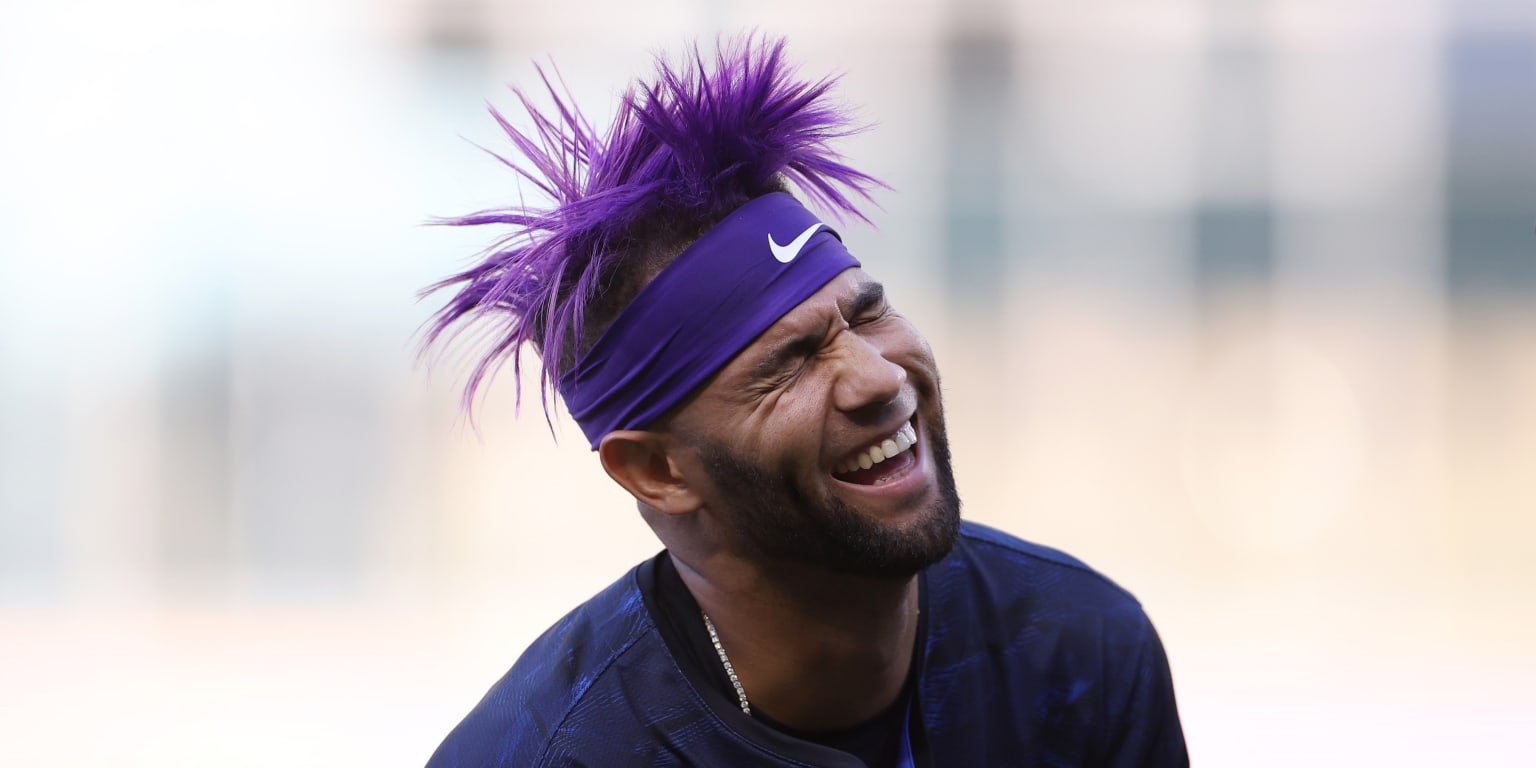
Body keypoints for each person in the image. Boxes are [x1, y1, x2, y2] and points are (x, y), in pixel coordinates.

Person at [422, 35, 1188, 768]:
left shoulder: (1078, 651)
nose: (880, 378)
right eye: (789, 363)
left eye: (867, 314)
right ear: (657, 469)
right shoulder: (560, 754)